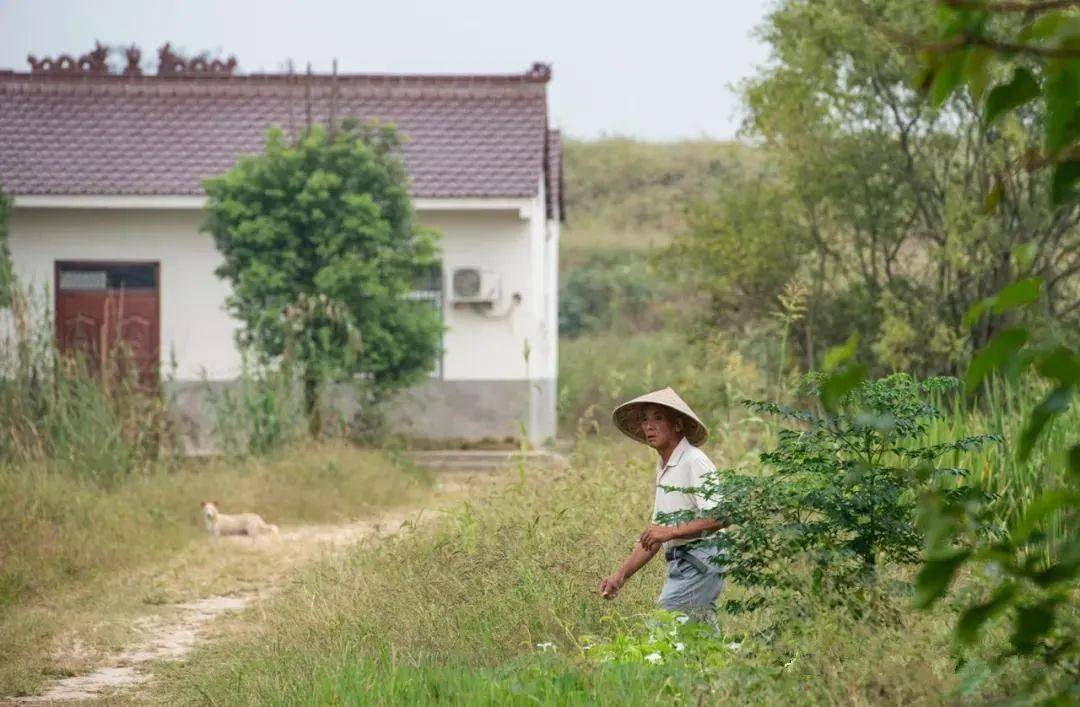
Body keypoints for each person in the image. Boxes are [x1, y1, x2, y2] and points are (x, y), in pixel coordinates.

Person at [599, 387, 728, 623]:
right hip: (683, 562)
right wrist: (620, 577)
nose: (649, 426)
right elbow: (654, 537)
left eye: (658, 418)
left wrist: (671, 532)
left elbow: (720, 517)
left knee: (663, 631)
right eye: (645, 419)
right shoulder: (664, 466)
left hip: (699, 561)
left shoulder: (693, 461)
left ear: (677, 425)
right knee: (701, 644)